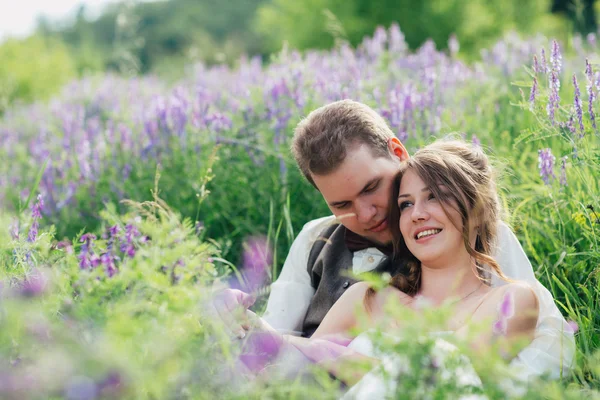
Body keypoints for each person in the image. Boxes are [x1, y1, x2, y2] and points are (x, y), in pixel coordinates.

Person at [213, 99, 574, 378]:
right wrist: (241, 325)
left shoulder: (474, 235)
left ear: (398, 153)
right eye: (342, 204)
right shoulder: (315, 240)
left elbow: (542, 334)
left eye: (372, 188)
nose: (367, 213)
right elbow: (278, 336)